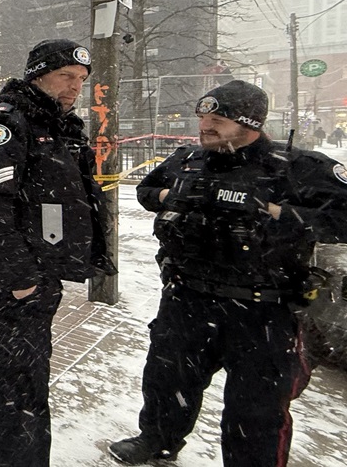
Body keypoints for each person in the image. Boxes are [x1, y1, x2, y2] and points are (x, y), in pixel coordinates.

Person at [109, 80, 347, 466]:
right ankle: (158, 441)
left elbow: (342, 219)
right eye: (203, 117)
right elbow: (146, 190)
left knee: (256, 409)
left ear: (249, 123)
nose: (205, 126)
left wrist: (274, 212)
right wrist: (173, 197)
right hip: (186, 298)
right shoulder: (188, 160)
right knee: (167, 384)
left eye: (218, 119)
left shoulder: (298, 168)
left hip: (262, 310)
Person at [0, 39, 115, 467]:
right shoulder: (5, 128)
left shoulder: (61, 127)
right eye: (66, 76)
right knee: (18, 388)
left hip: (41, 275)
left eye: (81, 80)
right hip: (16, 281)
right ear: (37, 74)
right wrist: (22, 281)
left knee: (24, 382)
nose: (74, 87)